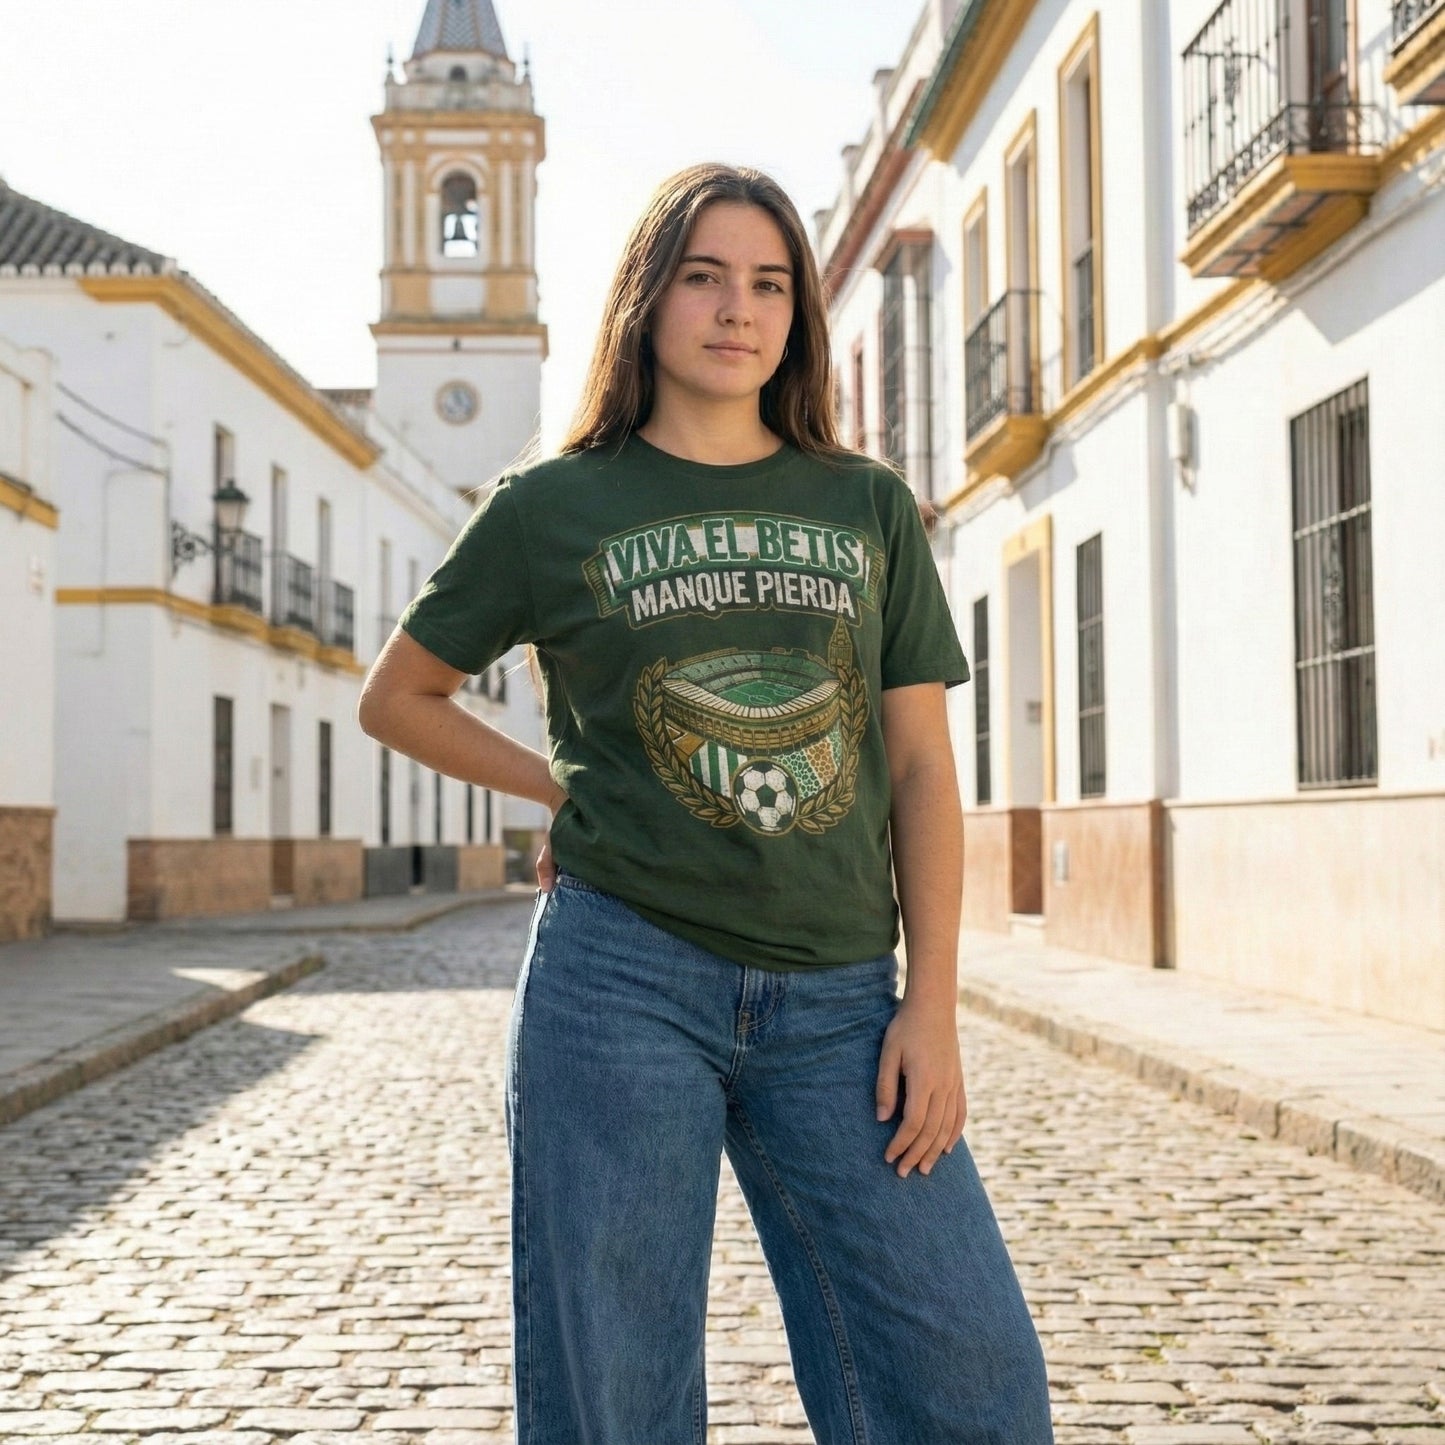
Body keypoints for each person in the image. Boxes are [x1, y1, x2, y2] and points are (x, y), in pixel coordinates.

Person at [358, 163, 1054, 1443]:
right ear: (647, 298)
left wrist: (933, 1003)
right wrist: (561, 785)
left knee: (967, 1368)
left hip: (841, 1000)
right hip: (617, 983)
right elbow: (399, 694)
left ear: (795, 315)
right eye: (704, 276)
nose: (738, 308)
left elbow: (917, 764)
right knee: (616, 1393)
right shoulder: (552, 504)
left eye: (769, 283)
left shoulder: (865, 506)